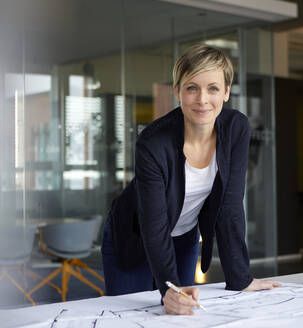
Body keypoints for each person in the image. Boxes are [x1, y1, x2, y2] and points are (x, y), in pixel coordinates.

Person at [101, 43, 280, 315]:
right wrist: (169, 289)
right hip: (133, 234)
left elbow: (229, 207)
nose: (202, 99)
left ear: (227, 92)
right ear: (177, 91)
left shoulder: (236, 129)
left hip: (184, 237)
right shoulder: (152, 142)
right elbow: (154, 224)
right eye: (192, 88)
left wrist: (240, 279)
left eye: (213, 88)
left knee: (182, 315)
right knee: (129, 318)